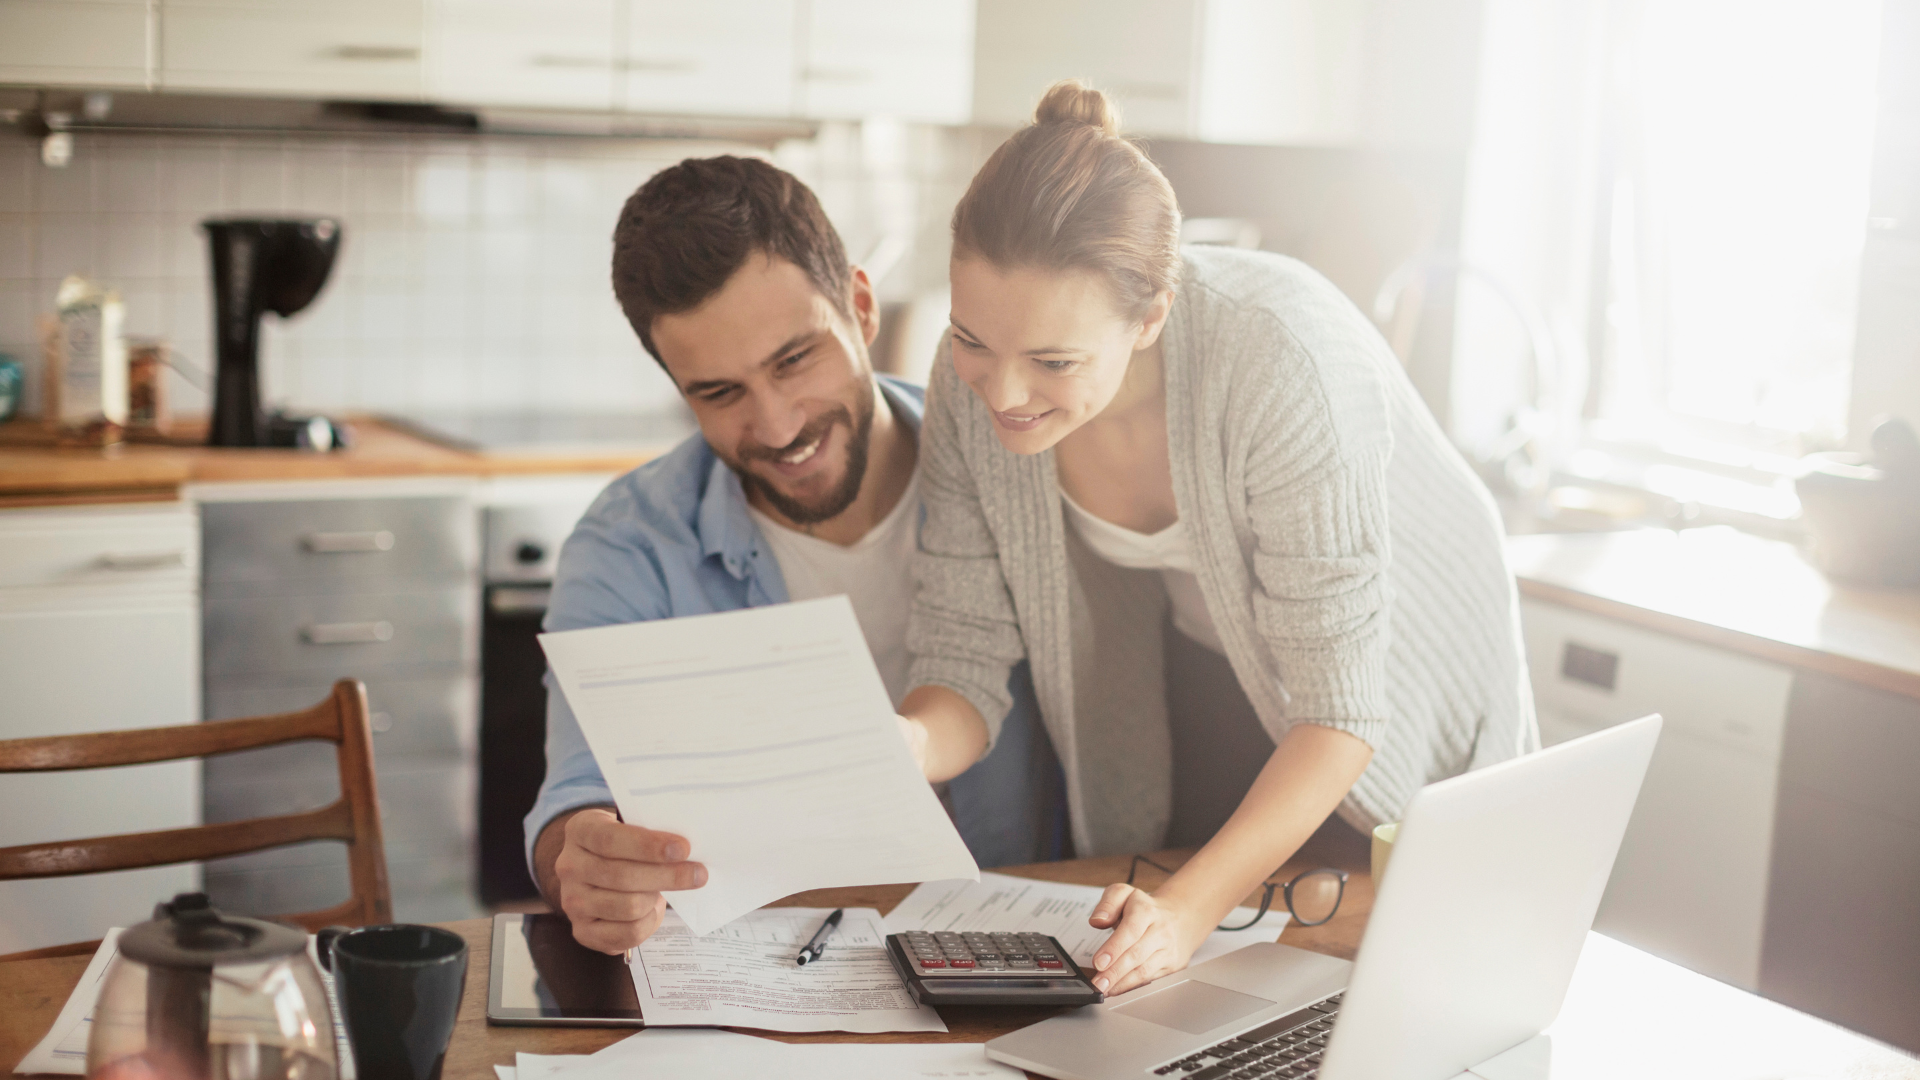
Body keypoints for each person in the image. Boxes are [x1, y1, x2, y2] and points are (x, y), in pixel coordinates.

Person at [896, 82, 1538, 996]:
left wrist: (1189, 912)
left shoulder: (1283, 360)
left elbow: (1339, 712)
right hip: (1213, 644)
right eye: (971, 341)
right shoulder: (971, 388)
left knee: (1384, 949)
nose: (999, 393)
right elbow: (960, 657)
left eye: (1054, 361)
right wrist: (905, 745)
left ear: (1151, 315)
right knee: (1203, 965)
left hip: (1397, 666)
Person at [526, 156, 1057, 955]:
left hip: (1029, 946)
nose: (776, 427)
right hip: (768, 967)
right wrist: (588, 862)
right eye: (719, 393)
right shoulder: (629, 543)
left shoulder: (1013, 468)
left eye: (794, 360)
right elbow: (575, 799)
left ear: (862, 306)